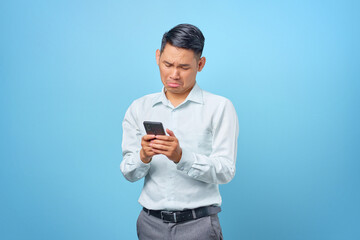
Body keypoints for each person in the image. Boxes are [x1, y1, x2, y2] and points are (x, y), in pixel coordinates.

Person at [120, 23, 239, 240]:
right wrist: (143, 156)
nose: (174, 74)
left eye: (184, 67)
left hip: (199, 226)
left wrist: (181, 157)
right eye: (167, 64)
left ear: (200, 64)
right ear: (158, 57)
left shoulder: (220, 107)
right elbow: (128, 172)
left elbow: (226, 171)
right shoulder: (139, 108)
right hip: (149, 225)